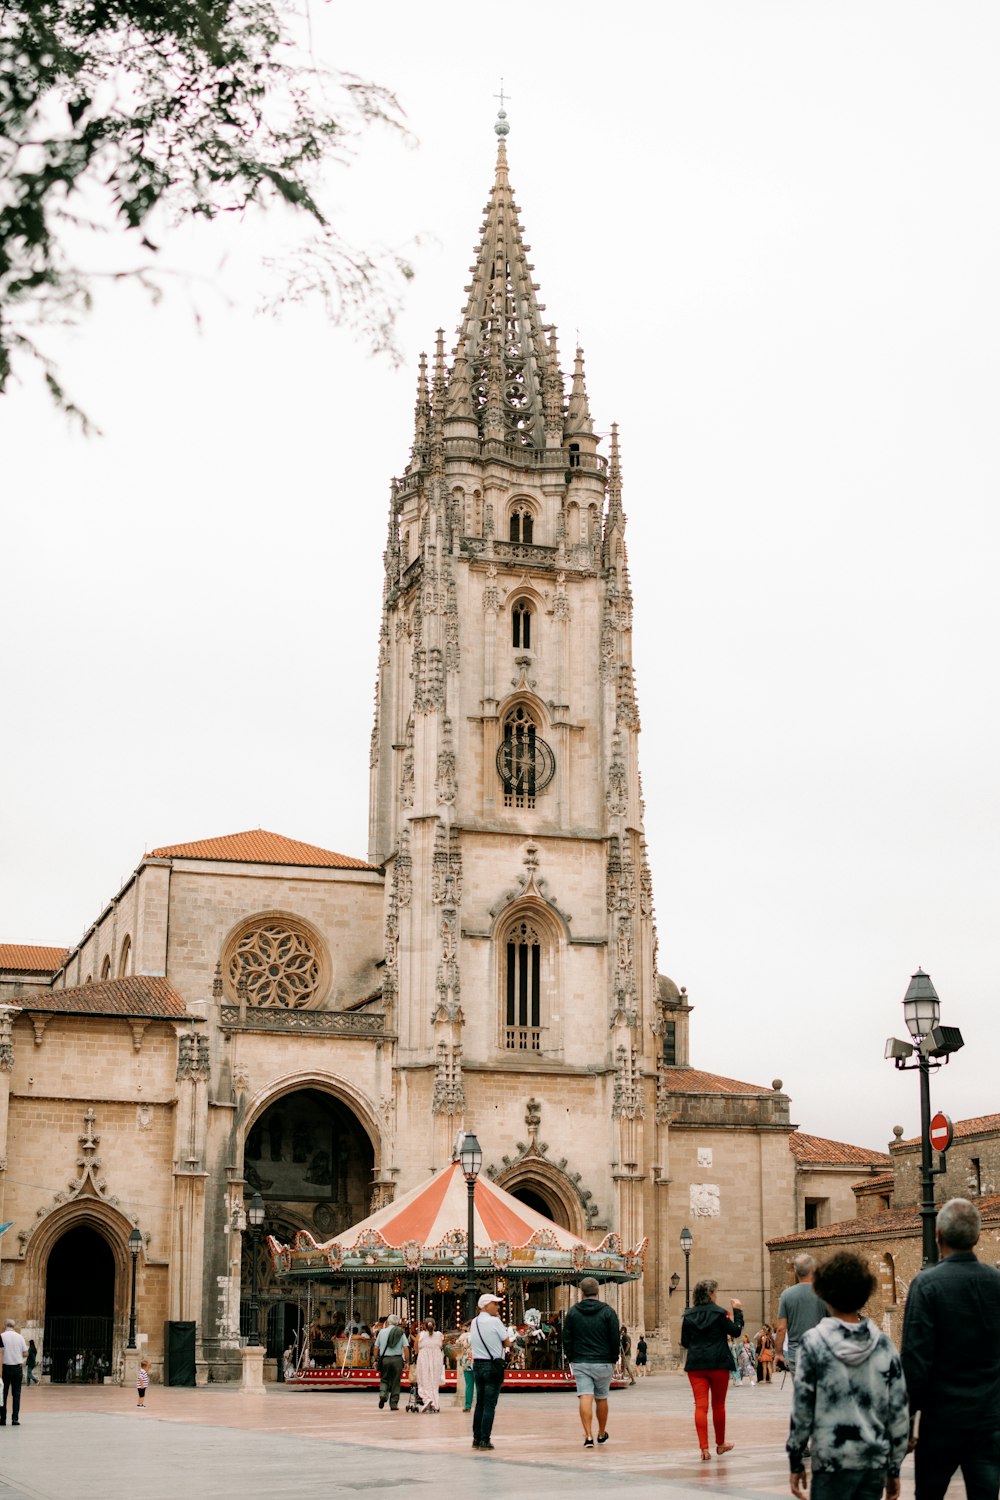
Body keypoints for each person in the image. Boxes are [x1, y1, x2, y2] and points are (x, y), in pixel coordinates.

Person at [787, 1250, 909, 1500]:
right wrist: (893, 1466)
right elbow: (898, 1411)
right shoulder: (884, 1345)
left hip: (831, 1459)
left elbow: (802, 1407)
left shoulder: (813, 1344)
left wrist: (796, 1459)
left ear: (824, 1293)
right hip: (872, 1460)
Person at [902, 1197, 1000, 1500]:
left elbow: (915, 1359)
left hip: (941, 1419)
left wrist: (907, 1419)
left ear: (938, 1235)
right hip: (988, 1420)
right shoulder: (996, 1283)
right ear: (977, 1237)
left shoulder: (926, 1285)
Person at [681, 1278, 743, 1460]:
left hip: (696, 1365)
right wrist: (738, 1311)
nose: (716, 1295)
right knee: (718, 1405)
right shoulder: (720, 1314)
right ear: (710, 1294)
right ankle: (721, 1444)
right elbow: (736, 1331)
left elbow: (685, 1342)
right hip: (718, 1364)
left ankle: (704, 1448)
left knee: (700, 1406)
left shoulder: (688, 1315)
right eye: (715, 1292)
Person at [562, 1276, 622, 1448]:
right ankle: (601, 1433)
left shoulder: (573, 1312)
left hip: (581, 1361)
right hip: (603, 1361)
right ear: (598, 1291)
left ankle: (588, 1436)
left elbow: (567, 1338)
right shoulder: (608, 1312)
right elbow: (614, 1338)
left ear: (582, 1292)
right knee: (601, 1398)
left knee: (585, 1396)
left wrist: (571, 1357)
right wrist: (613, 1358)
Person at [469, 1292, 512, 1451]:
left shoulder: (474, 1322)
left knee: (479, 1403)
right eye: (495, 1304)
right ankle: (485, 1440)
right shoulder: (495, 1322)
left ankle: (476, 1437)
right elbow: (507, 1342)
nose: (498, 1306)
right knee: (489, 1404)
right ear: (486, 1306)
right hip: (493, 1366)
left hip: (478, 1365)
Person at [776, 1254, 827, 1376]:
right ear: (813, 1270)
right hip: (820, 1350)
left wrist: (778, 1353)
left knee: (802, 1392)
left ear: (795, 1271)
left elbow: (781, 1328)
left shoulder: (786, 1295)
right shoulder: (824, 1293)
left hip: (797, 1353)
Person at [375, 1313, 409, 1411]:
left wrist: (376, 1359)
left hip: (385, 1359)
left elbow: (376, 1347)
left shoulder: (382, 1332)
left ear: (388, 1322)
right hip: (397, 1360)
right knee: (395, 1382)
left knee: (384, 1378)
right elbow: (405, 1347)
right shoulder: (400, 1332)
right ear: (397, 1322)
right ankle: (393, 1404)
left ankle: (383, 1395)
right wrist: (407, 1361)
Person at [0, 1320, 28, 1426]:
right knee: (16, 1394)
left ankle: (3, 1419)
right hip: (17, 1368)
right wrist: (19, 1357)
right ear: (14, 1326)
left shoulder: (1, 1336)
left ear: (5, 1325)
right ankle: (15, 1419)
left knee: (3, 1394)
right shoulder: (20, 1337)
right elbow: (25, 1353)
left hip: (5, 1369)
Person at [414, 1317, 444, 1413]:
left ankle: (427, 1399)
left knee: (423, 1380)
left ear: (423, 1326)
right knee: (434, 1382)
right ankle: (436, 1404)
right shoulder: (439, 1335)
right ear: (434, 1326)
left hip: (424, 1358)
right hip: (437, 1358)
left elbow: (415, 1348)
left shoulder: (420, 1335)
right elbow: (441, 1346)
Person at [456, 1322, 474, 1412]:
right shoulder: (479, 1334)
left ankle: (467, 1405)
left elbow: (457, 1344)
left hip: (467, 1362)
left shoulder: (463, 1336)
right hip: (479, 1361)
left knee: (469, 1385)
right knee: (480, 1385)